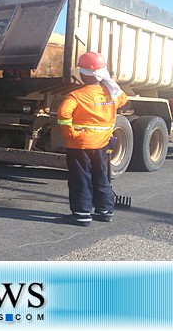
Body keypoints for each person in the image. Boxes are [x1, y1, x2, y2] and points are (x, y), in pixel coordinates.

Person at [57, 52, 128, 227]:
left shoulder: (76, 95)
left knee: (81, 178)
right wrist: (112, 81)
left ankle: (81, 214)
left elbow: (64, 114)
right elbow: (123, 99)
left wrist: (70, 134)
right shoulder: (111, 94)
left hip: (80, 144)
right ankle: (104, 211)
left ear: (82, 74)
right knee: (101, 175)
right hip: (102, 143)